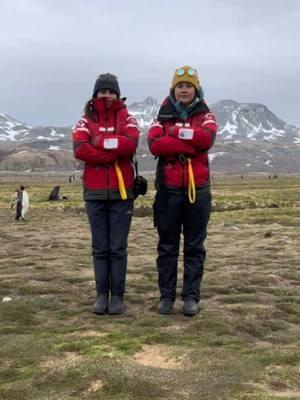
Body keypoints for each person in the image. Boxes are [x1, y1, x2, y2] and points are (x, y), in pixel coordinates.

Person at [147, 66, 218, 316]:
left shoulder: (206, 115)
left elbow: (205, 140)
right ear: (173, 89)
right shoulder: (161, 116)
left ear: (196, 88)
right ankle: (166, 297)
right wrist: (190, 143)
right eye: (180, 86)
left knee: (194, 246)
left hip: (197, 191)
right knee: (167, 246)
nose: (184, 90)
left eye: (188, 86)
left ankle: (190, 297)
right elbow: (156, 145)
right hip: (169, 191)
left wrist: (176, 133)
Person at [72, 73, 140, 315]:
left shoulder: (128, 118)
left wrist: (99, 142)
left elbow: (130, 144)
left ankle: (118, 296)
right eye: (103, 91)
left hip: (122, 193)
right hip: (95, 192)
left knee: (117, 247)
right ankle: (102, 294)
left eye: (111, 91)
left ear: (117, 94)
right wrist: (112, 154)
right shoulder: (84, 121)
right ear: (95, 94)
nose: (107, 95)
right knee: (100, 247)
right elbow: (80, 148)